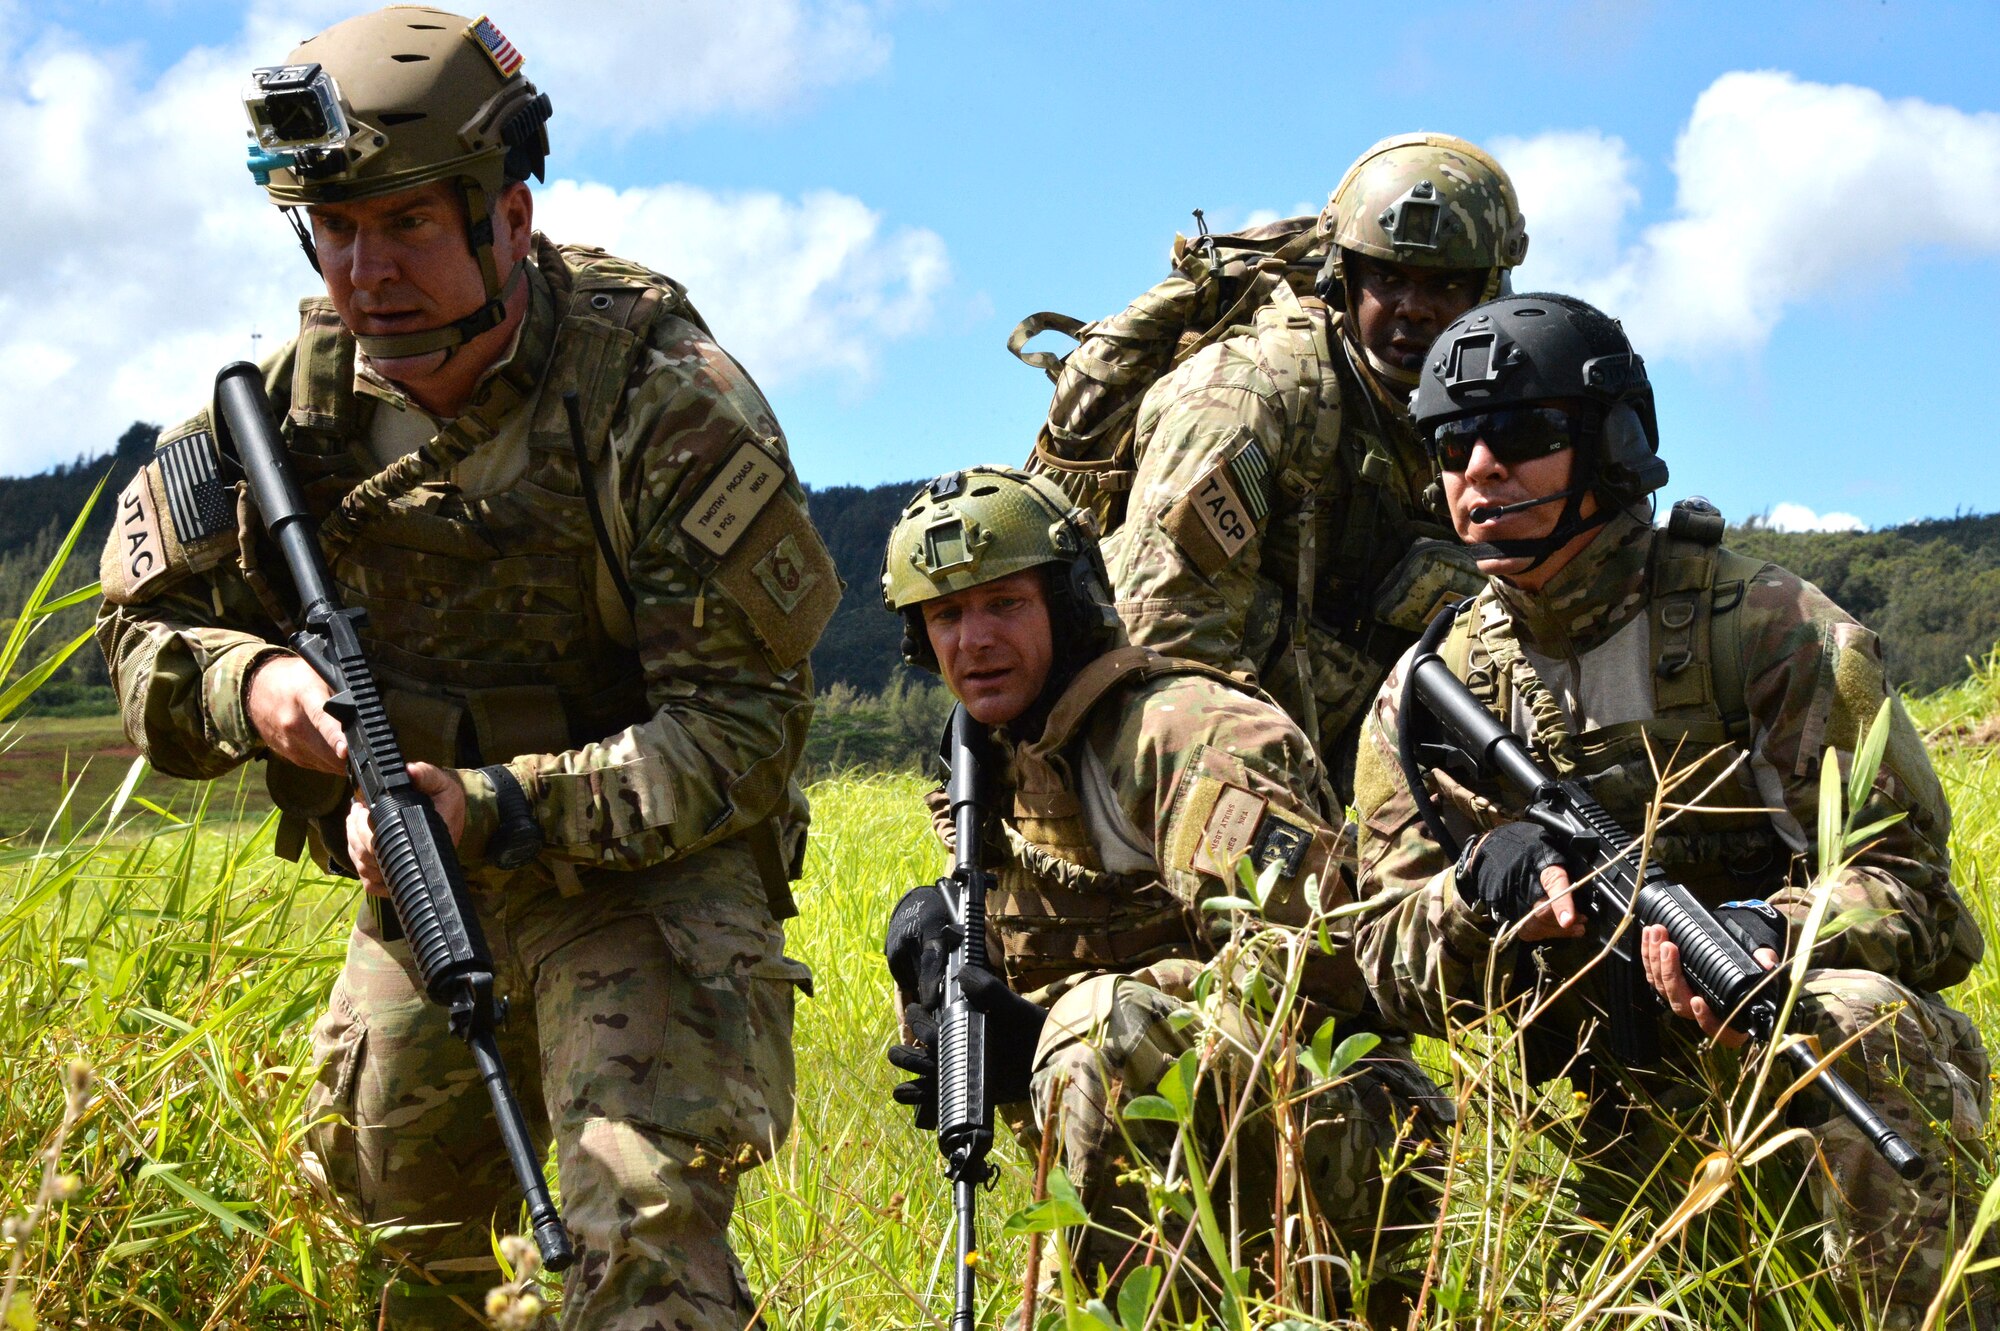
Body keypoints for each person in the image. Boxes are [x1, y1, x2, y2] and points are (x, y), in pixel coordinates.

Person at [93, 8, 835, 1327]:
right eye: (336, 229)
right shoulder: (281, 411)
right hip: (429, 879)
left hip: (646, 874)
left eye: (408, 225)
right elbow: (139, 633)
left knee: (635, 1251)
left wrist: (488, 802)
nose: (366, 270)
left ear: (511, 215)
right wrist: (264, 695)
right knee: (391, 1246)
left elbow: (739, 733)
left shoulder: (659, 398)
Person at [1351, 292, 1994, 1327]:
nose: (1477, 470)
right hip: (1596, 1121)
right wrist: (1479, 888)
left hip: (1788, 1071)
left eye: (1519, 435)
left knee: (1860, 1022)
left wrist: (1771, 934)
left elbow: (1911, 891)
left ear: (1609, 443)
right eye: (1449, 443)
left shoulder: (1768, 629)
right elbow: (1376, 953)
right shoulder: (1428, 690)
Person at [878, 467, 1446, 1317]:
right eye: (946, 615)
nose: (974, 640)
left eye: (1005, 604)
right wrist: (942, 974)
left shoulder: (1181, 735)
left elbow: (1327, 972)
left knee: (1095, 1034)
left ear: (1067, 603)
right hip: (1185, 1185)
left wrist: (1043, 1032)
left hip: (1359, 1158)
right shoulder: (998, 767)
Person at [1101, 133, 1529, 798]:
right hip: (1177, 766)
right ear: (1345, 274)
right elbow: (1161, 638)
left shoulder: (1485, 425)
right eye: (1388, 277)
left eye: (1445, 283)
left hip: (1357, 777)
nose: (1414, 306)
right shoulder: (1252, 395)